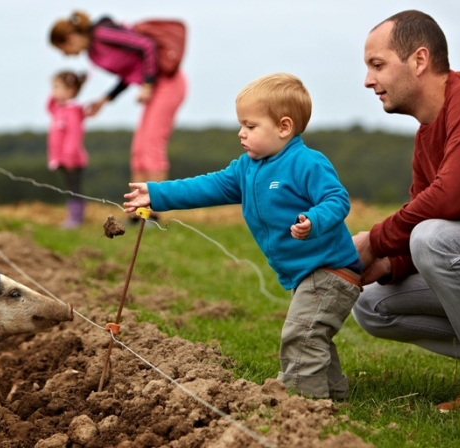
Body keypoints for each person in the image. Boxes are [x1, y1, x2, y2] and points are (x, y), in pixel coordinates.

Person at [123, 73, 362, 400]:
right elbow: (207, 186)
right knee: (309, 334)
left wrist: (314, 220)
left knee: (300, 335)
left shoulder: (306, 163)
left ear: (283, 127)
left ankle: (302, 406)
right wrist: (157, 193)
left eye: (250, 126)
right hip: (306, 272)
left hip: (331, 270)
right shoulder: (246, 168)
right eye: (241, 125)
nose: (241, 133)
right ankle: (332, 398)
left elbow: (338, 199)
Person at [351, 10, 460, 412]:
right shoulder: (425, 138)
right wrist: (386, 265)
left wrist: (374, 241)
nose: (367, 80)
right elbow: (431, 217)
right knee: (372, 305)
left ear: (418, 60)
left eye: (377, 65)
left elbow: (449, 202)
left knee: (432, 236)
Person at [49, 11, 187, 219]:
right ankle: (138, 214)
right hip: (153, 88)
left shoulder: (102, 34)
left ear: (70, 38)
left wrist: (148, 84)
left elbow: (145, 46)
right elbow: (129, 72)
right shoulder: (93, 53)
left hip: (168, 84)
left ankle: (154, 215)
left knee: (151, 149)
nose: (67, 54)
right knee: (139, 152)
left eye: (64, 49)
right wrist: (105, 99)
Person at [46, 70, 88, 228]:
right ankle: (72, 216)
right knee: (68, 187)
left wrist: (69, 156)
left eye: (57, 87)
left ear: (70, 91)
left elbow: (75, 135)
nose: (53, 91)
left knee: (74, 188)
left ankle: (76, 218)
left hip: (73, 159)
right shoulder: (59, 109)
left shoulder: (73, 112)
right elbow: (49, 106)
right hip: (61, 158)